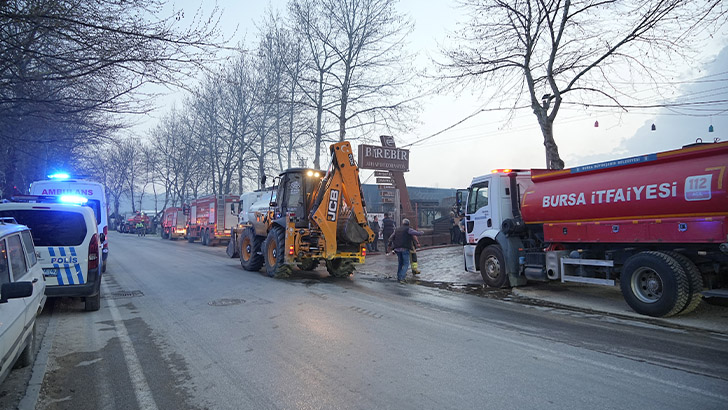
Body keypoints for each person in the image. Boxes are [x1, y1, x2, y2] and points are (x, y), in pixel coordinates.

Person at [387, 218, 423, 284]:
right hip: (405, 248)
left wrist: (389, 246)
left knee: (400, 263)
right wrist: (421, 233)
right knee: (406, 264)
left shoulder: (397, 230)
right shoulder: (408, 229)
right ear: (408, 224)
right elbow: (416, 233)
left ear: (402, 223)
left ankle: (398, 277)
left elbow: (391, 238)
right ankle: (402, 278)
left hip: (397, 249)